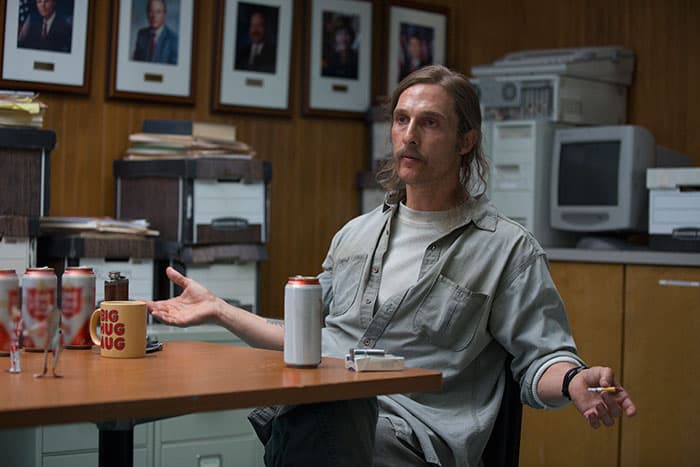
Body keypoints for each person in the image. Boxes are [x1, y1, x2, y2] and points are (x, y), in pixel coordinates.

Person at [148, 65, 636, 467]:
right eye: (402, 120)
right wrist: (219, 309)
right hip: (325, 421)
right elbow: (306, 337)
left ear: (466, 141)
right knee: (319, 405)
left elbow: (542, 357)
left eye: (430, 123)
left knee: (326, 407)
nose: (410, 136)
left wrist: (573, 381)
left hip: (414, 438)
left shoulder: (507, 249)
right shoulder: (354, 236)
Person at [132, 0, 178, 64]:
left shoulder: (173, 39)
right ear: (147, 13)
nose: (154, 16)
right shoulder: (141, 34)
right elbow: (135, 62)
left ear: (164, 14)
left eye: (158, 12)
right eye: (151, 11)